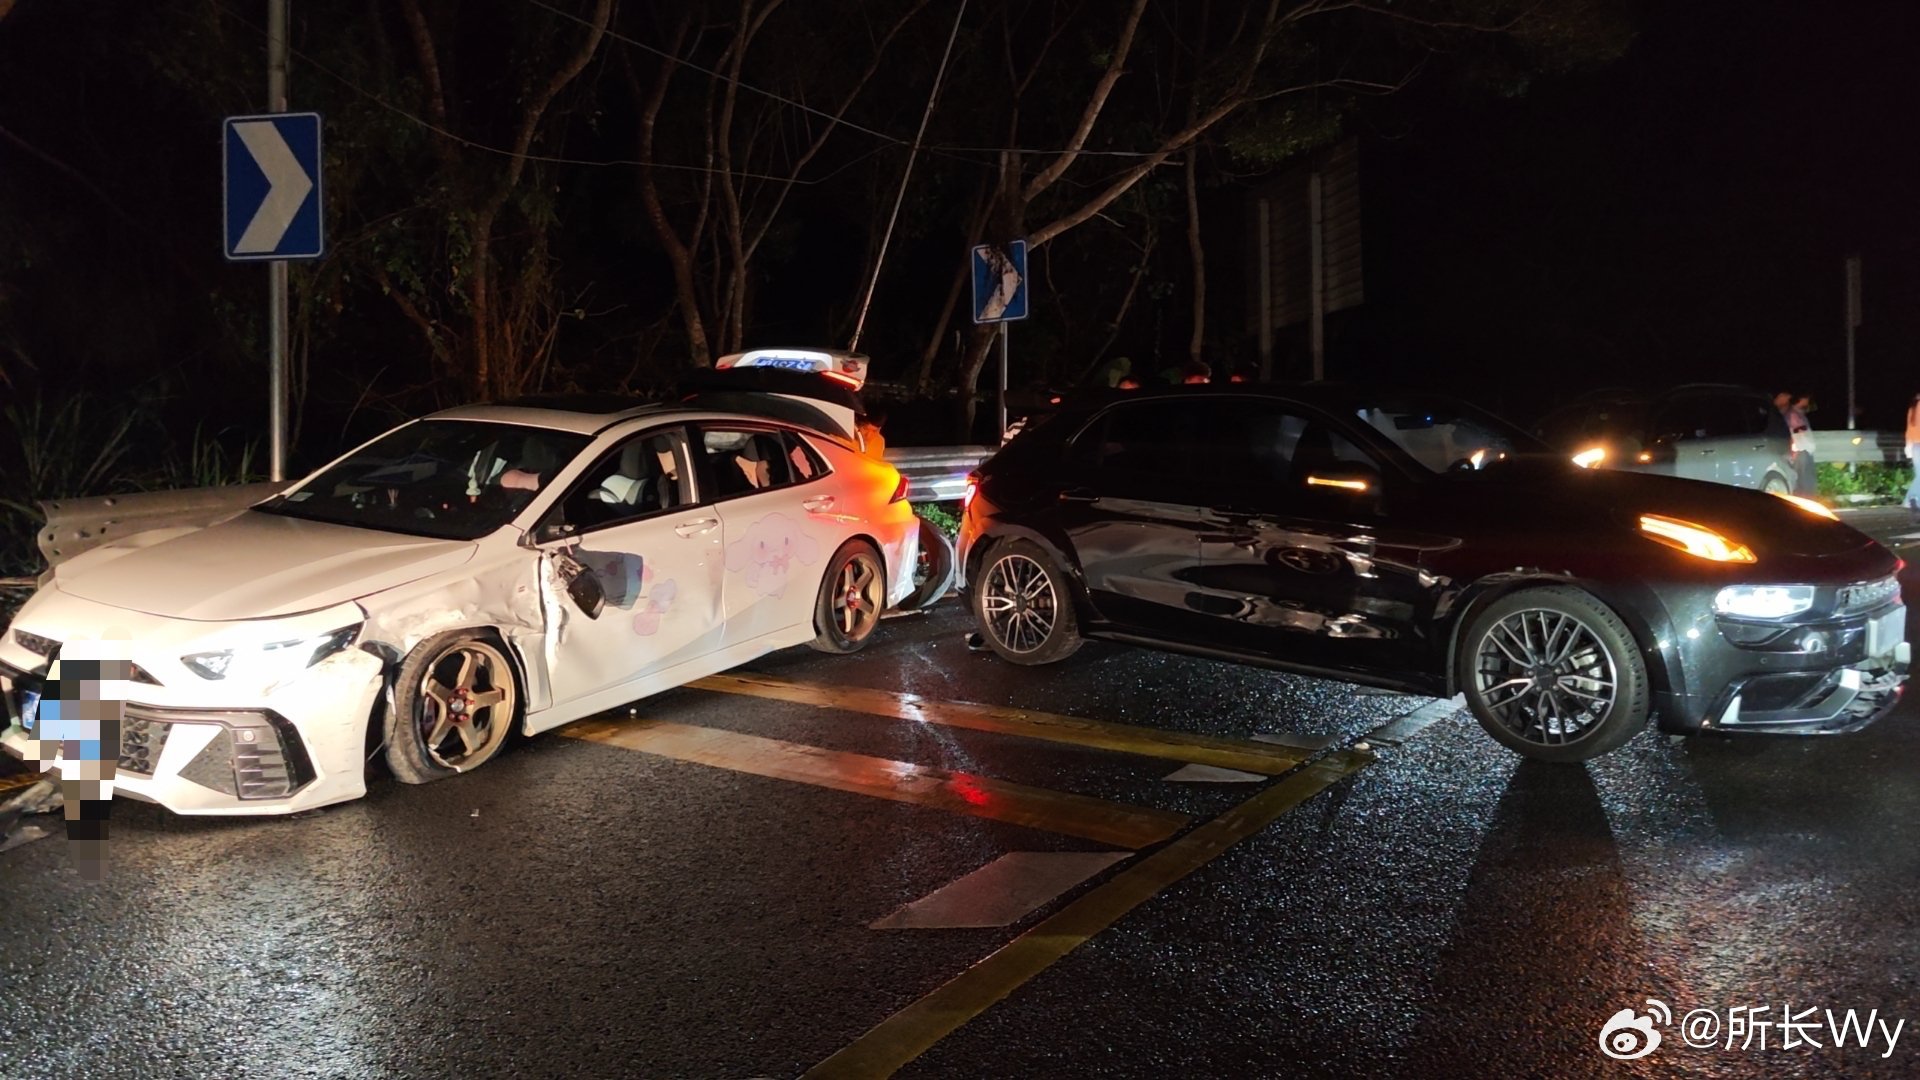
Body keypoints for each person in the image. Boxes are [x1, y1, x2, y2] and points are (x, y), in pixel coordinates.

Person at [1775, 391, 1814, 496]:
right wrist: (1794, 450)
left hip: (1803, 450)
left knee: (1804, 480)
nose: (1808, 402)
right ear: (1800, 400)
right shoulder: (1793, 415)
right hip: (1800, 451)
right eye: (1806, 399)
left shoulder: (1796, 414)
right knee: (1804, 481)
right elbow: (1794, 433)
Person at [1904, 393, 1920, 522]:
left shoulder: (1912, 410)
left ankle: (1914, 500)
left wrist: (1908, 447)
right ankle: (1911, 498)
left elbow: (1908, 430)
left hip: (1914, 445)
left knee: (1919, 475)